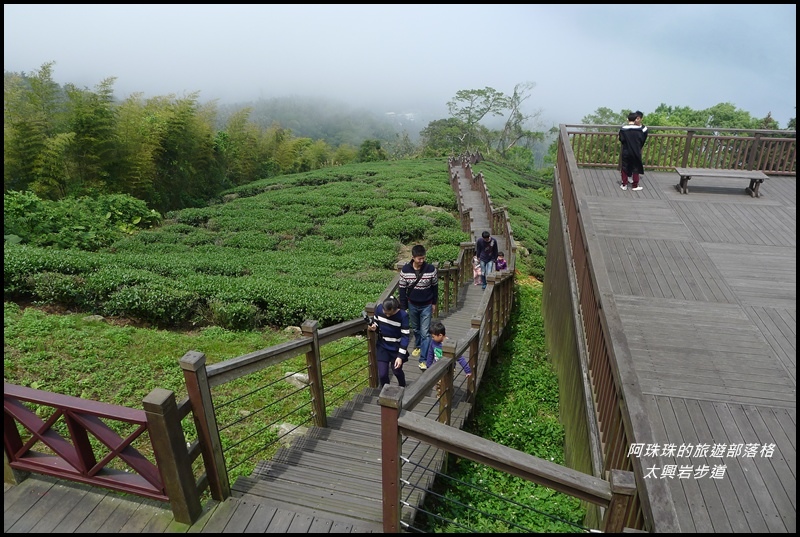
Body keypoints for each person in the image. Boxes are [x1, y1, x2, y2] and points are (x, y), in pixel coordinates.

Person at [398, 244, 438, 370]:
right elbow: (402, 290)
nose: (422, 261)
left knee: (425, 332)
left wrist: (434, 303)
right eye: (419, 259)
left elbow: (435, 287)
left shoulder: (430, 269)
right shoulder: (405, 270)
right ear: (413, 257)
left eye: (423, 258)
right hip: (412, 304)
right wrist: (403, 308)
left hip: (426, 304)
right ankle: (418, 346)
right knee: (415, 329)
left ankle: (423, 359)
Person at [366, 296, 410, 389]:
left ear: (395, 309)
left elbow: (405, 337)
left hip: (396, 347)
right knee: (382, 374)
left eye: (389, 314)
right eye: (385, 313)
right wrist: (374, 327)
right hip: (383, 345)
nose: (387, 315)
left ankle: (402, 386)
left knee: (397, 371)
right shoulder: (378, 309)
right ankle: (385, 392)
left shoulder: (403, 316)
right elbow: (377, 324)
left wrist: (400, 357)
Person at [619, 111, 648, 191]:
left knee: (624, 167)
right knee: (636, 167)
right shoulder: (641, 130)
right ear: (636, 119)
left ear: (627, 119)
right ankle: (635, 185)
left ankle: (624, 184)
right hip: (636, 151)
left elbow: (621, 139)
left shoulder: (623, 129)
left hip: (626, 151)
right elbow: (642, 140)